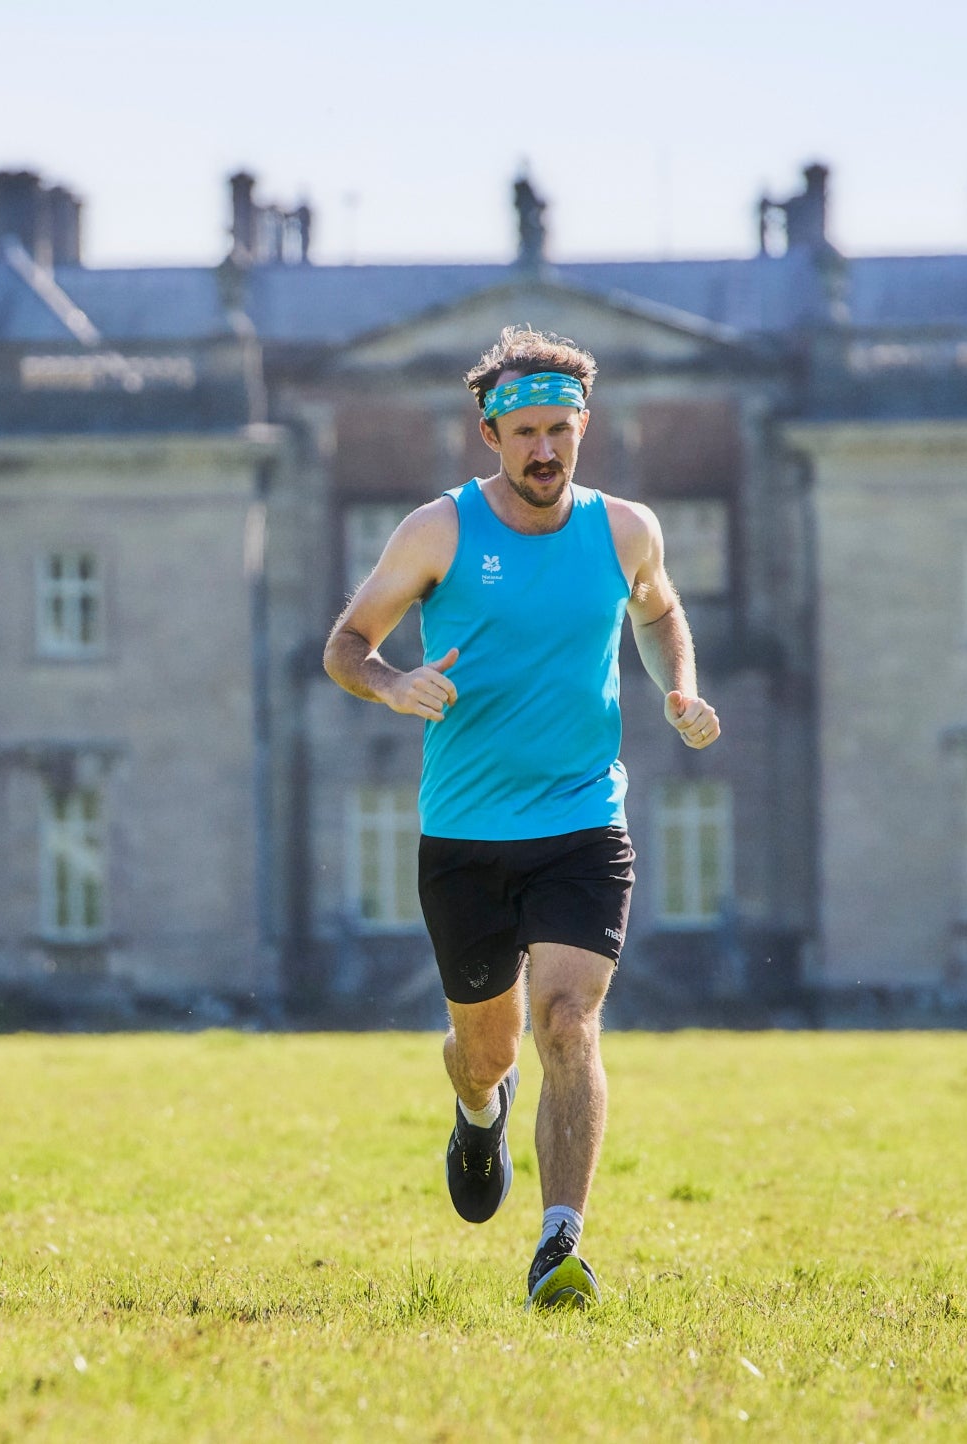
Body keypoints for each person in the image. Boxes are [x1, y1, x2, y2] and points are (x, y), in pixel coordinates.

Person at [320, 326, 720, 1308]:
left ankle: (559, 1241)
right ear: (491, 435)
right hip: (464, 835)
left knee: (569, 1020)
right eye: (524, 432)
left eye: (560, 431)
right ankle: (475, 1106)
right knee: (491, 1047)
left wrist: (680, 685)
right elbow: (345, 644)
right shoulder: (438, 533)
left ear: (584, 428)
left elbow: (659, 609)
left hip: (584, 821)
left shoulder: (625, 529)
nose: (544, 450)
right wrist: (393, 683)